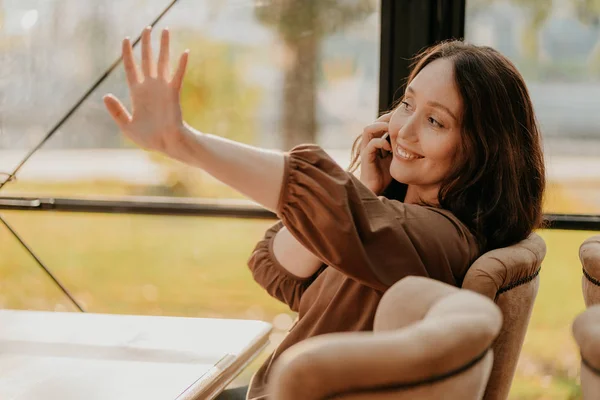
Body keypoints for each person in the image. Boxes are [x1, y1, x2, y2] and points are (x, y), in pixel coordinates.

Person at [103, 27, 545, 400]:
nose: (405, 129)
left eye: (436, 121)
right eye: (407, 104)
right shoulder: (387, 229)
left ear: (484, 150)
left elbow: (321, 202)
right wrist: (364, 188)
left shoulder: (441, 240)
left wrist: (183, 143)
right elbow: (278, 265)